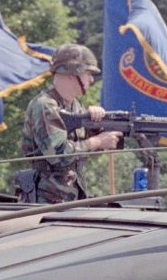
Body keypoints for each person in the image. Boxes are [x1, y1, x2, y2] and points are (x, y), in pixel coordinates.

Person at [19, 44, 123, 204]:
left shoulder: (75, 106)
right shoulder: (45, 105)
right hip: (46, 201)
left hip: (70, 196)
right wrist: (97, 141)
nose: (91, 79)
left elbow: (83, 151)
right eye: (88, 73)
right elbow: (58, 155)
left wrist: (98, 127)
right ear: (72, 73)